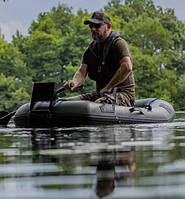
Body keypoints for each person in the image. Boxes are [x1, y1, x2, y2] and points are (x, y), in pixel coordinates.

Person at [62, 11, 135, 106]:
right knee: (65, 103)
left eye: (97, 26)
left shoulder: (118, 44)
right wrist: (74, 82)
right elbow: (81, 72)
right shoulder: (91, 50)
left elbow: (127, 67)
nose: (93, 29)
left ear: (108, 26)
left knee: (98, 106)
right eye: (91, 26)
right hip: (99, 94)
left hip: (122, 95)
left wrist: (108, 88)